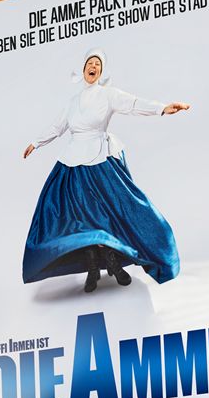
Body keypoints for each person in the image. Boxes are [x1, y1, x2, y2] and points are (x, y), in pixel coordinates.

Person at [18, 52, 190, 291]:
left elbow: (133, 104)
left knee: (108, 213)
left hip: (100, 162)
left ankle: (112, 262)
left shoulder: (108, 94)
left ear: (101, 72)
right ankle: (92, 267)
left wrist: (162, 108)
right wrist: (36, 143)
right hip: (73, 166)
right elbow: (58, 127)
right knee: (78, 219)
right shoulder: (73, 101)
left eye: (97, 64)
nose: (93, 66)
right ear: (83, 70)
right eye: (90, 63)